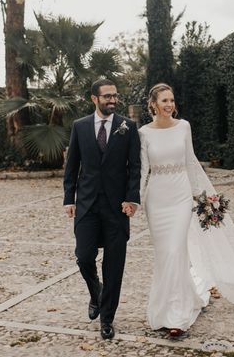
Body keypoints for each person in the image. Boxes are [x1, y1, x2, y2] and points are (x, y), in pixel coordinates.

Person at [139, 83, 234, 338]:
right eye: (164, 100)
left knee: (176, 249)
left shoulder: (183, 126)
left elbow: (190, 162)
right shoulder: (143, 133)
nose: (169, 105)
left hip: (180, 197)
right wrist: (135, 200)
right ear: (153, 104)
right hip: (156, 200)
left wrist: (204, 199)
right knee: (166, 255)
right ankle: (170, 306)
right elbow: (142, 170)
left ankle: (177, 315)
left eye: (172, 100)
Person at [63, 79, 141, 340]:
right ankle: (96, 291)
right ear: (94, 98)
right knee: (84, 256)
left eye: (115, 96)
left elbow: (135, 167)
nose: (112, 100)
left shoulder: (127, 127)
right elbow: (72, 165)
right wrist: (69, 198)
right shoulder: (80, 127)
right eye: (107, 96)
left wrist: (132, 199)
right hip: (87, 205)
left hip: (117, 208)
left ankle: (107, 318)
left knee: (114, 265)